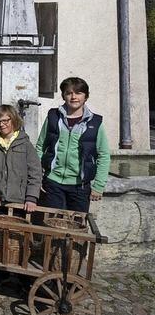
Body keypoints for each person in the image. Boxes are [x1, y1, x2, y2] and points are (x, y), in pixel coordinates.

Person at [36, 77, 111, 213]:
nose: (74, 97)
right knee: (53, 225)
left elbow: (104, 155)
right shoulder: (53, 117)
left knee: (77, 226)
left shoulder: (95, 122)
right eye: (69, 93)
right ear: (63, 96)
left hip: (79, 186)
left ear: (86, 97)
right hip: (53, 183)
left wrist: (99, 186)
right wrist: (37, 177)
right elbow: (40, 147)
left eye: (78, 93)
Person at [0, 105, 42, 214]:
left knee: (17, 230)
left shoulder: (25, 144)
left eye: (5, 121)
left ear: (13, 119)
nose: (1, 125)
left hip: (20, 201)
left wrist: (31, 197)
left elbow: (35, 172)